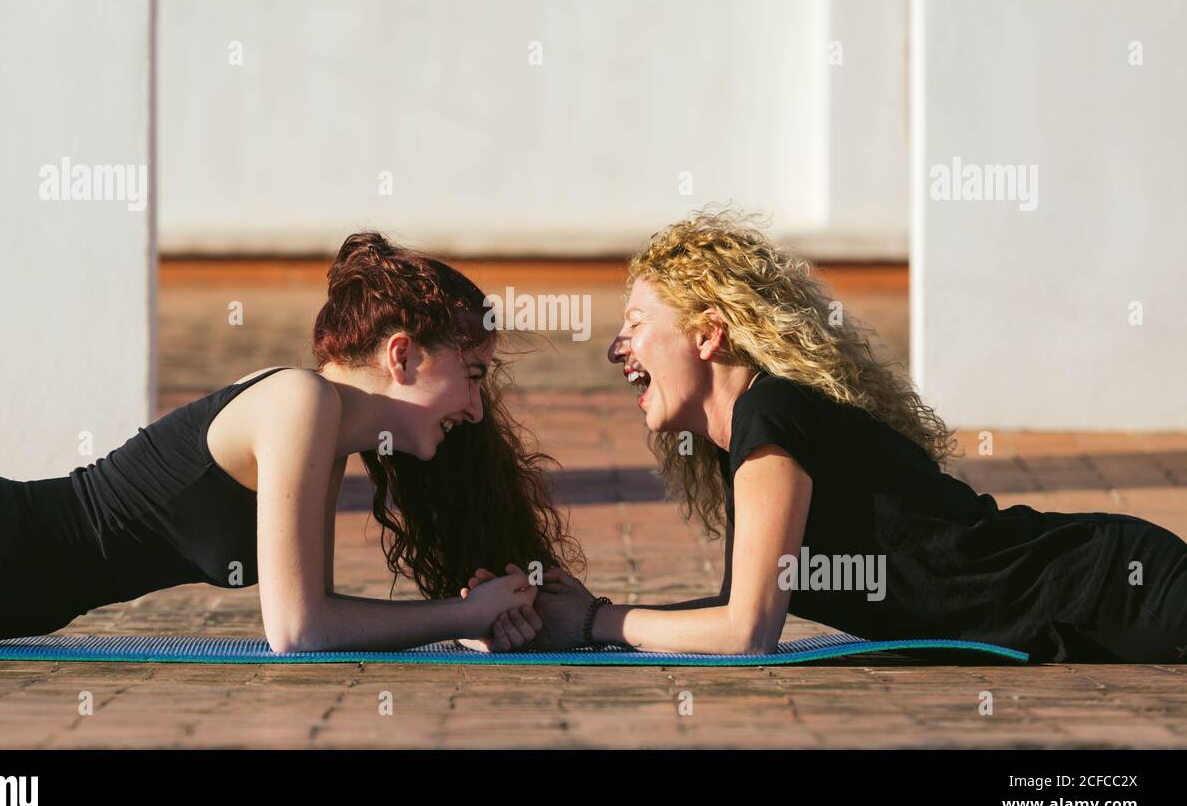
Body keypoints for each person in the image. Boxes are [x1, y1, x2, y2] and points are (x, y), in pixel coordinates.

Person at [467, 210, 1187, 663]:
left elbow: (747, 634)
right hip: (1102, 600)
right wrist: (585, 614)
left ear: (709, 333)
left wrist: (596, 622)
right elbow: (740, 614)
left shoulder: (772, 415)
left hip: (1118, 588)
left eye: (635, 324)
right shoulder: (761, 426)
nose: (615, 349)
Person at [0, 232, 581, 652]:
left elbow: (322, 618)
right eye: (472, 375)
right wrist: (461, 614)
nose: (476, 408)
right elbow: (298, 631)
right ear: (402, 356)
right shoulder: (300, 403)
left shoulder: (327, 433)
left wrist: (464, 625)